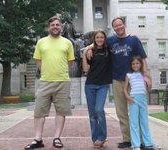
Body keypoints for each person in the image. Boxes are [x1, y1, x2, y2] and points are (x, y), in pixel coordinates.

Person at [86, 17, 151, 148]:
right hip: (117, 80)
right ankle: (127, 139)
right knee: (121, 112)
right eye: (115, 26)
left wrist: (147, 75)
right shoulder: (110, 40)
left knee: (136, 111)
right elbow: (98, 43)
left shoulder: (134, 39)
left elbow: (143, 58)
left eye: (120, 25)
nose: (118, 27)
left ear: (124, 24)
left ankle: (141, 140)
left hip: (134, 79)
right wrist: (88, 48)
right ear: (113, 28)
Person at [24, 16, 75, 149]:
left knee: (61, 111)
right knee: (39, 111)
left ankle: (57, 138)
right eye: (52, 25)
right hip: (45, 81)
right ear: (49, 27)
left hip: (63, 82)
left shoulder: (67, 43)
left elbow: (70, 61)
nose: (55, 27)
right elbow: (38, 60)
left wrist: (59, 71)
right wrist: (47, 71)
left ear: (61, 27)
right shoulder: (41, 42)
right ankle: (37, 139)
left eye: (58, 25)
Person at [82, 30, 112, 148]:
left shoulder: (108, 50)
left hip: (103, 85)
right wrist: (85, 52)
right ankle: (95, 138)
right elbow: (85, 69)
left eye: (102, 37)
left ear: (104, 39)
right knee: (92, 114)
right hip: (90, 85)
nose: (99, 39)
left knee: (99, 110)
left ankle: (102, 136)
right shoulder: (91, 51)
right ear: (94, 39)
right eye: (97, 37)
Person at [123, 56, 158, 150]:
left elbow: (148, 88)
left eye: (137, 63)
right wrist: (128, 97)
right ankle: (135, 145)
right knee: (134, 122)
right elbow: (125, 89)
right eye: (133, 64)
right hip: (133, 100)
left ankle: (148, 144)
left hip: (143, 99)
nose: (135, 65)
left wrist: (149, 82)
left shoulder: (144, 75)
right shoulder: (129, 75)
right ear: (131, 65)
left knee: (144, 122)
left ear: (141, 64)